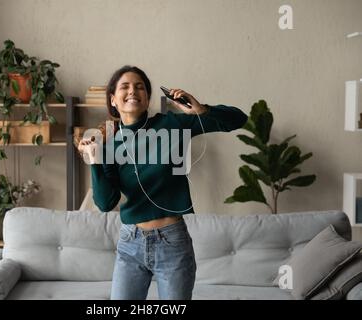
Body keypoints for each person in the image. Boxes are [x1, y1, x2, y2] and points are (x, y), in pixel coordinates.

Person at [77, 65, 248, 300]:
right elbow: (106, 203)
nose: (132, 91)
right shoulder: (109, 146)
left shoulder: (172, 125)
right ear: (113, 100)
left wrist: (201, 109)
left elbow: (238, 119)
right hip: (130, 243)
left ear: (147, 98)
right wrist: (95, 162)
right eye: (124, 87)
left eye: (139, 87)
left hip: (172, 241)